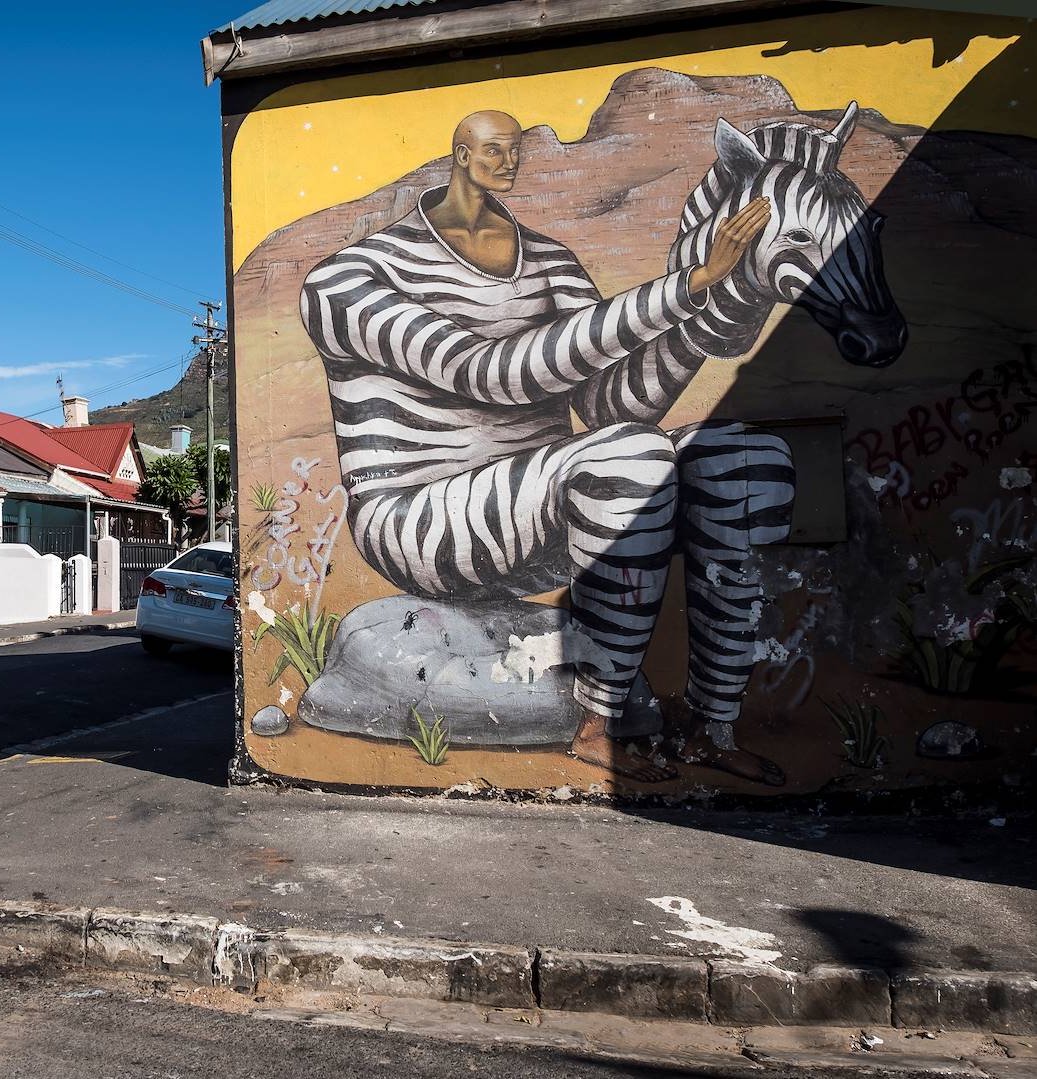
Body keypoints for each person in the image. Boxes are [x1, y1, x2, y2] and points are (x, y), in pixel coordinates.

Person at [300, 110, 792, 785]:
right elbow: (491, 374)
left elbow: (610, 405)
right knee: (630, 457)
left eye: (516, 150)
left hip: (538, 511)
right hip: (414, 517)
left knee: (741, 457)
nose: (511, 162)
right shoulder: (348, 279)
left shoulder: (551, 260)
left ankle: (714, 724)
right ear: (459, 152)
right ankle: (598, 723)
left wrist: (716, 311)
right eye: (497, 150)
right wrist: (684, 289)